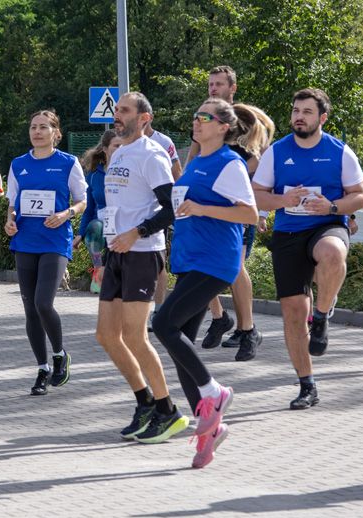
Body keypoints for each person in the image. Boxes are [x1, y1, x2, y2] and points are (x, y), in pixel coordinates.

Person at [152, 99, 260, 468]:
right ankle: (208, 429)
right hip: (190, 259)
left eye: (204, 118)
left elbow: (249, 214)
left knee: (162, 324)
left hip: (214, 261)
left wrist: (201, 209)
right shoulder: (197, 161)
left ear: (223, 126)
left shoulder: (229, 163)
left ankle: (214, 392)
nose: (196, 122)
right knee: (180, 345)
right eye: (195, 116)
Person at [251, 88, 363, 410]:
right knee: (291, 314)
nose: (299, 116)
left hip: (326, 225)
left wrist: (331, 207)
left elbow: (359, 195)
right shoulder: (277, 152)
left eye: (307, 111)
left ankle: (323, 313)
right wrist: (282, 201)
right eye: (295, 111)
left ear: (322, 118)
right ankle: (307, 385)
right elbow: (257, 194)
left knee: (332, 254)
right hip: (288, 233)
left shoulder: (340, 152)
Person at [93, 92, 188, 444]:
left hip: (143, 252)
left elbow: (171, 207)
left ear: (145, 118)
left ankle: (169, 411)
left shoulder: (152, 155)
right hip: (118, 252)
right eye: (117, 109)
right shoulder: (119, 152)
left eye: (125, 110)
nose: (118, 115)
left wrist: (138, 232)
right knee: (106, 335)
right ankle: (145, 401)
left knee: (135, 335)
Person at [5, 109, 87, 395]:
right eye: (33, 127)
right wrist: (10, 220)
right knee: (30, 308)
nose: (37, 132)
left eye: (43, 127)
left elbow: (82, 201)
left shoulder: (68, 163)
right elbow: (13, 203)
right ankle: (42, 368)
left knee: (43, 303)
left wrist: (66, 214)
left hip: (54, 241)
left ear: (56, 133)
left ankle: (60, 354)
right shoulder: (18, 164)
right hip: (25, 241)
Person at [187, 67, 266, 361]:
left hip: (235, 205)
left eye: (218, 84)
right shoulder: (203, 118)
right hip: (204, 205)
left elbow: (259, 161)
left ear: (232, 88)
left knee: (234, 268)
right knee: (203, 264)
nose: (213, 88)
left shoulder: (243, 119)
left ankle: (248, 329)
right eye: (209, 84)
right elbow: (193, 158)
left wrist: (228, 180)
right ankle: (220, 317)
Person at [144, 117, 182, 325]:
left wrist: (177, 205)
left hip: (159, 209)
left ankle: (158, 310)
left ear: (145, 117)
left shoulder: (163, 141)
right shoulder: (123, 141)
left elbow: (177, 173)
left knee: (158, 264)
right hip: (131, 212)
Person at [76, 130, 122, 293]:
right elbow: (88, 208)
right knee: (94, 227)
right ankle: (98, 270)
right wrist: (81, 234)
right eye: (117, 146)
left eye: (124, 145)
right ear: (105, 149)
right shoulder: (94, 175)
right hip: (102, 225)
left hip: (126, 224)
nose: (121, 149)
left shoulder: (132, 171)